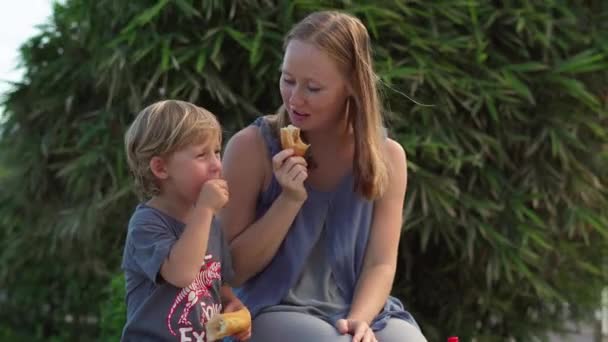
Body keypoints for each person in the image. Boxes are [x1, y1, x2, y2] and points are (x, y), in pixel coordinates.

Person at [219, 10, 427, 342]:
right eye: (287, 79)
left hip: (363, 307)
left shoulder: (388, 157)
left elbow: (380, 264)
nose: (294, 98)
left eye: (313, 88)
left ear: (352, 87)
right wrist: (288, 201)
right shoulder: (251, 148)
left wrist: (359, 321)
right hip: (274, 306)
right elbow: (231, 271)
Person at [121, 100, 251, 341]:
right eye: (202, 154)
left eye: (217, 152)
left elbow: (217, 284)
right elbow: (181, 274)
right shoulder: (146, 224)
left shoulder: (211, 222)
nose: (216, 165)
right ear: (161, 168)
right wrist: (204, 210)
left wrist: (232, 305)